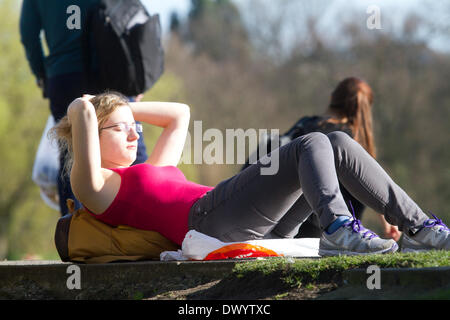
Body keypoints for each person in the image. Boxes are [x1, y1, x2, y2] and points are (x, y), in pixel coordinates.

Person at [51, 92, 450, 256]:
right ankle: (337, 226)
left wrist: (122, 109)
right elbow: (81, 113)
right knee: (310, 144)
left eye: (133, 126)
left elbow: (180, 115)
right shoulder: (98, 187)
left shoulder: (153, 167)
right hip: (212, 221)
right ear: (92, 137)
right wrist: (92, 104)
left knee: (338, 144)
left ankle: (420, 227)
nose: (133, 132)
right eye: (118, 128)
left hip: (249, 223)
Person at [19, 0, 149, 215]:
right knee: (132, 148)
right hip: (113, 72)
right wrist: (137, 77)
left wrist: (43, 75)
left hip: (64, 77)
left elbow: (28, 35)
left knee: (71, 155)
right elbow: (134, 17)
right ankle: (145, 227)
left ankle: (75, 236)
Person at [242, 77, 401, 241]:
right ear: (366, 108)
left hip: (282, 222)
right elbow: (368, 183)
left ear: (332, 98)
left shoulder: (303, 125)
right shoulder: (349, 143)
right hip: (329, 230)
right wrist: (387, 218)